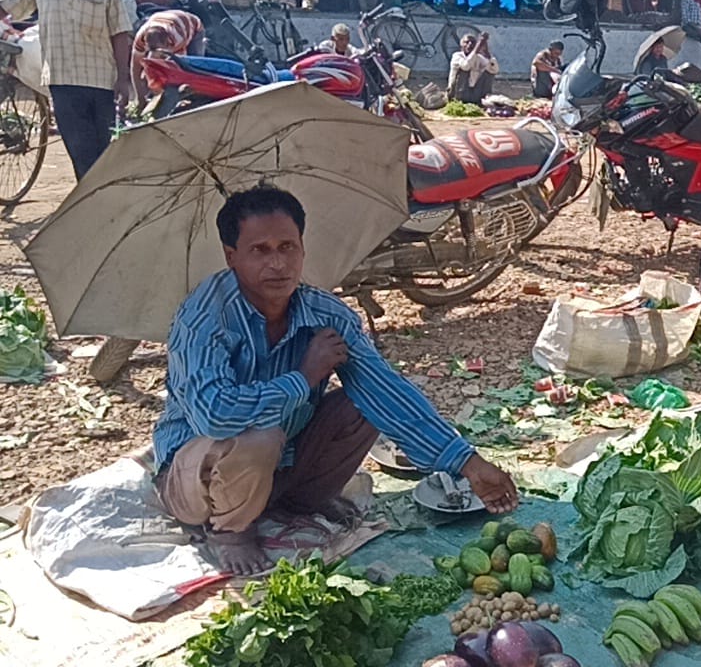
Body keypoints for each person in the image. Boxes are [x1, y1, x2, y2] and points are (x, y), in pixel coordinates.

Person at [153, 185, 519, 575]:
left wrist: (467, 463)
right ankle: (230, 530)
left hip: (281, 463)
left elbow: (386, 392)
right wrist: (302, 377)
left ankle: (296, 500)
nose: (277, 264)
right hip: (192, 480)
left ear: (302, 248)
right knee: (262, 434)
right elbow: (217, 417)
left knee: (361, 405)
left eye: (287, 247)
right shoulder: (204, 319)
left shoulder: (324, 314)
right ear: (231, 257)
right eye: (260, 250)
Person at [0, 0, 134, 180]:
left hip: (101, 80)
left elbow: (120, 30)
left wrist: (123, 77)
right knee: (81, 152)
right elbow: (9, 6)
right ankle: (93, 207)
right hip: (60, 80)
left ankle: (102, 205)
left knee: (102, 151)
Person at [131, 8, 204, 105]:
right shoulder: (140, 38)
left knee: (193, 68)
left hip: (193, 27)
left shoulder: (178, 38)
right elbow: (135, 66)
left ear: (167, 44)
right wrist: (140, 96)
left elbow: (179, 67)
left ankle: (195, 98)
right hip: (163, 20)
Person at [448, 32, 499, 104]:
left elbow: (494, 70)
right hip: (457, 93)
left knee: (489, 72)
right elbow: (466, 66)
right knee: (463, 71)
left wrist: (486, 51)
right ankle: (459, 100)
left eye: (472, 43)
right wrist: (477, 46)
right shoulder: (457, 56)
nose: (470, 44)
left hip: (473, 93)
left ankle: (483, 98)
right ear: (461, 45)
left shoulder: (478, 58)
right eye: (466, 42)